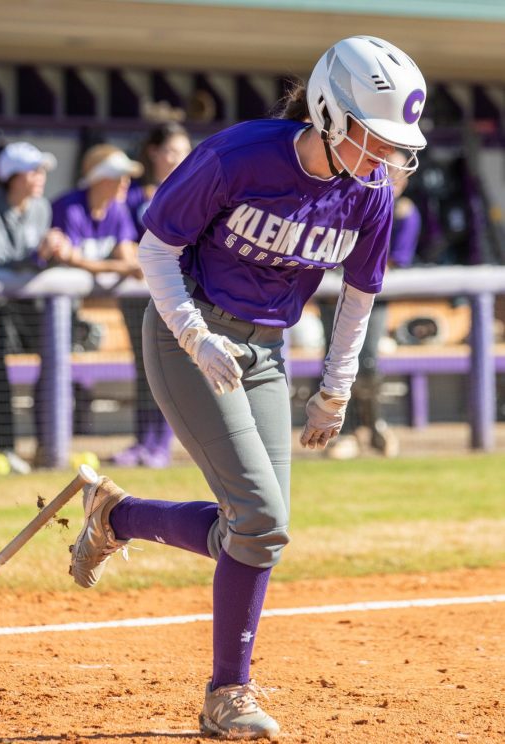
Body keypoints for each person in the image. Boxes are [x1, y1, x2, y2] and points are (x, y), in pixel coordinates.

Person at [67, 36, 426, 740]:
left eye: (393, 143)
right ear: (328, 110)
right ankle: (227, 695)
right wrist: (197, 339)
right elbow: (156, 250)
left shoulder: (371, 195)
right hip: (188, 334)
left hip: (266, 351)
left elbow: (359, 296)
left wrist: (336, 388)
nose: (383, 155)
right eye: (372, 136)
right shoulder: (241, 156)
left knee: (257, 532)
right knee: (261, 519)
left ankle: (116, 516)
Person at [0, 142, 67, 475]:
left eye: (42, 170)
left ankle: (48, 445)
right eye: (33, 171)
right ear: (12, 176)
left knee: (52, 363)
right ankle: (4, 448)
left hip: (22, 302)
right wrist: (39, 256)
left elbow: (30, 262)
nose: (40, 177)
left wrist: (55, 249)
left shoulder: (42, 207)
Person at [321, 148, 422, 459]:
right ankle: (344, 433)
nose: (392, 178)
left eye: (399, 173)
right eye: (387, 169)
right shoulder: (351, 196)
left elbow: (395, 262)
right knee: (332, 360)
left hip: (372, 295)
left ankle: (374, 425)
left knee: (367, 362)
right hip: (333, 291)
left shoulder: (404, 211)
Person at [50, 143, 143, 436]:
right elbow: (76, 262)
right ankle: (50, 444)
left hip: (85, 314)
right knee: (53, 376)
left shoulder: (117, 210)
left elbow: (129, 259)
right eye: (118, 176)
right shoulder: (70, 206)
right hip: (52, 312)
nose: (125, 183)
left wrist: (122, 266)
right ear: (100, 178)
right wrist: (120, 268)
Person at [114, 122, 192, 468]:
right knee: (143, 369)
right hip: (138, 294)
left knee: (168, 370)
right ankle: (142, 441)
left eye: (183, 151)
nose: (177, 159)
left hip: (179, 294)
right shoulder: (132, 195)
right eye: (171, 151)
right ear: (153, 153)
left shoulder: (193, 189)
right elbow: (124, 242)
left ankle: (161, 444)